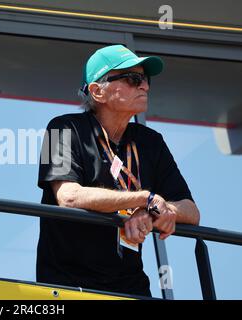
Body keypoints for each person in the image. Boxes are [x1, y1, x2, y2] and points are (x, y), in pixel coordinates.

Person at [37, 44, 200, 297]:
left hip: (131, 288)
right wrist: (143, 199)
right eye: (133, 79)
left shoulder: (152, 141)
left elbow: (191, 210)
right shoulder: (59, 128)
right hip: (68, 286)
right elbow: (68, 197)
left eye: (145, 80)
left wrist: (149, 212)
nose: (144, 86)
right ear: (97, 92)